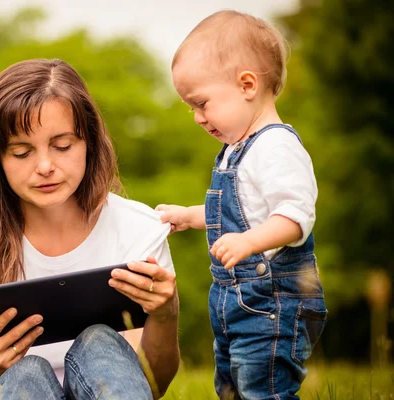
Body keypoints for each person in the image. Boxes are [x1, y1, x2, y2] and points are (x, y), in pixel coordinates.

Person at [0, 58, 180, 400]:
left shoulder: (136, 229)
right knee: (23, 372)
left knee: (100, 343)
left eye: (62, 146)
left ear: (89, 142)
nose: (45, 166)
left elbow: (152, 386)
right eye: (21, 152)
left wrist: (165, 314)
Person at [156, 10, 327, 400]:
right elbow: (236, 212)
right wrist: (188, 215)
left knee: (263, 388)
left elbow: (294, 218)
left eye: (201, 103)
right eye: (190, 108)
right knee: (232, 386)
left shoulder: (276, 146)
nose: (197, 118)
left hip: (274, 304)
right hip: (236, 305)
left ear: (247, 84)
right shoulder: (235, 151)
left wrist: (249, 243)